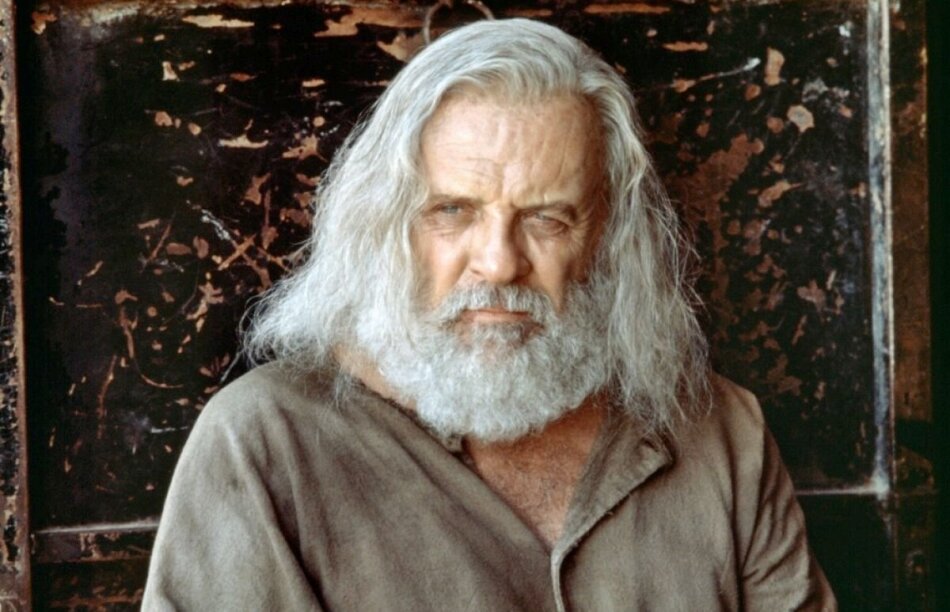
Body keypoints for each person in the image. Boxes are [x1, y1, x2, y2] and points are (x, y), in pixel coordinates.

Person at [142, 18, 835, 611]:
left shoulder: (721, 434)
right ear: (386, 224)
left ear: (606, 237)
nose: (500, 263)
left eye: (547, 219)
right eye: (453, 211)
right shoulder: (262, 444)